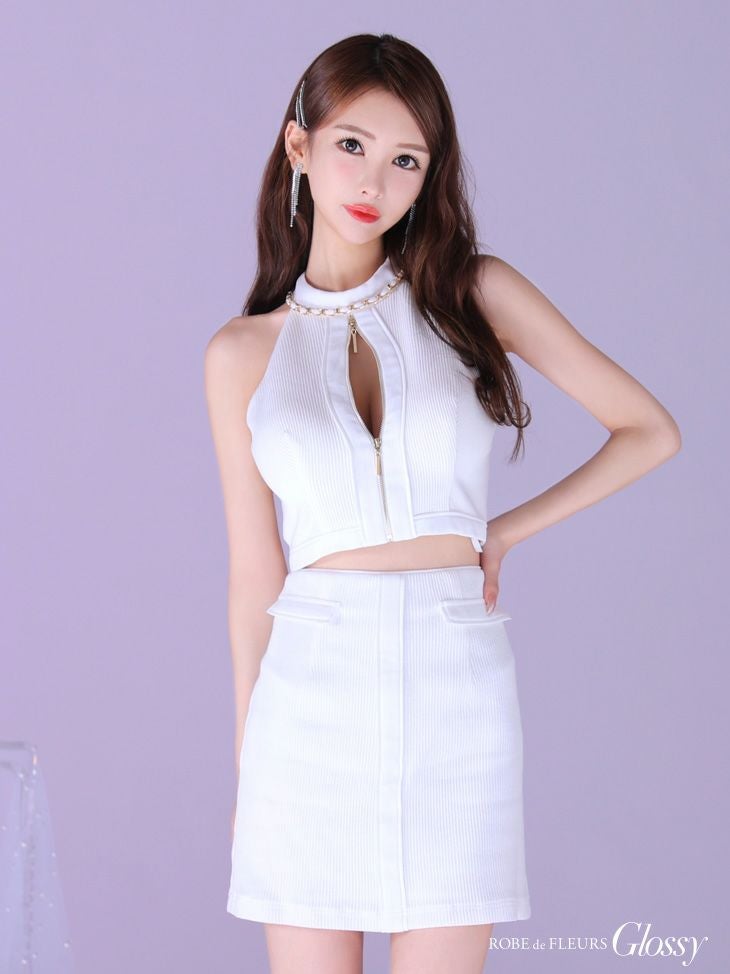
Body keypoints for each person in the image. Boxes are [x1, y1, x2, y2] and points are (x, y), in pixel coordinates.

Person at [204, 32, 681, 974]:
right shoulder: (241, 353)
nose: (373, 180)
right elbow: (254, 575)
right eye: (352, 145)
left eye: (406, 159)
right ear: (298, 145)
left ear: (429, 177)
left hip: (455, 686)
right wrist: (249, 764)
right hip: (308, 704)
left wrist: (501, 533)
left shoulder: (473, 293)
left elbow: (649, 430)